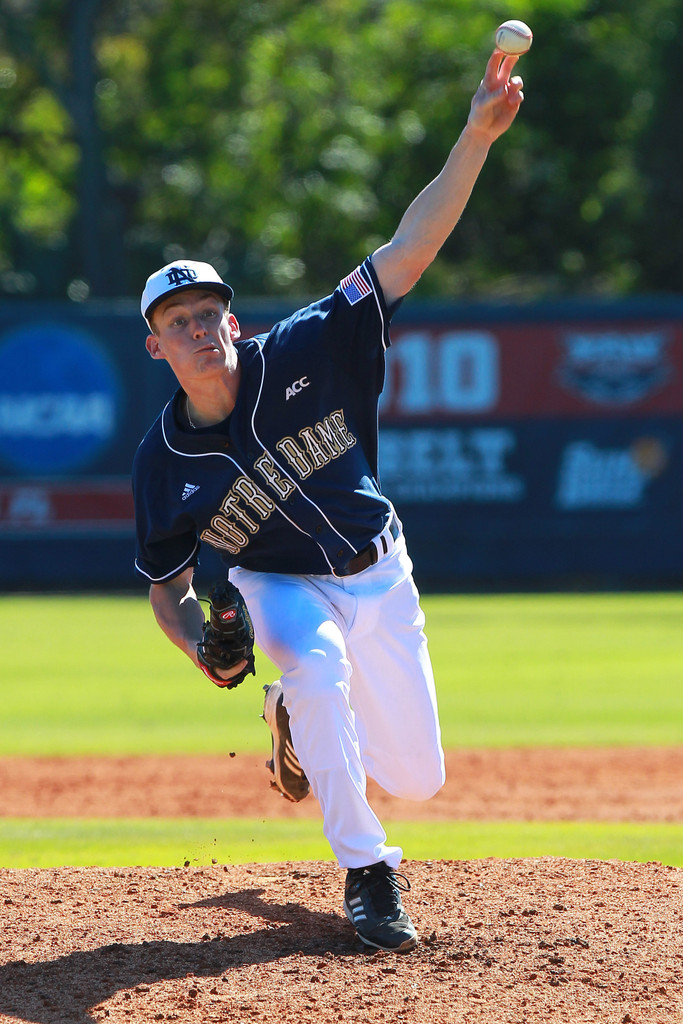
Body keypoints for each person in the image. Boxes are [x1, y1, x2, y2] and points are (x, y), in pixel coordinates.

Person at [132, 49, 525, 953]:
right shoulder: (164, 460)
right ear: (156, 348)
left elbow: (408, 250)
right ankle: (367, 869)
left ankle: (292, 724)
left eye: (208, 313)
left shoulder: (309, 345)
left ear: (233, 320)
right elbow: (166, 586)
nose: (197, 329)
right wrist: (203, 649)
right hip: (276, 585)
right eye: (177, 323)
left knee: (418, 778)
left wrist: (474, 135)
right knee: (314, 669)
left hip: (379, 571)